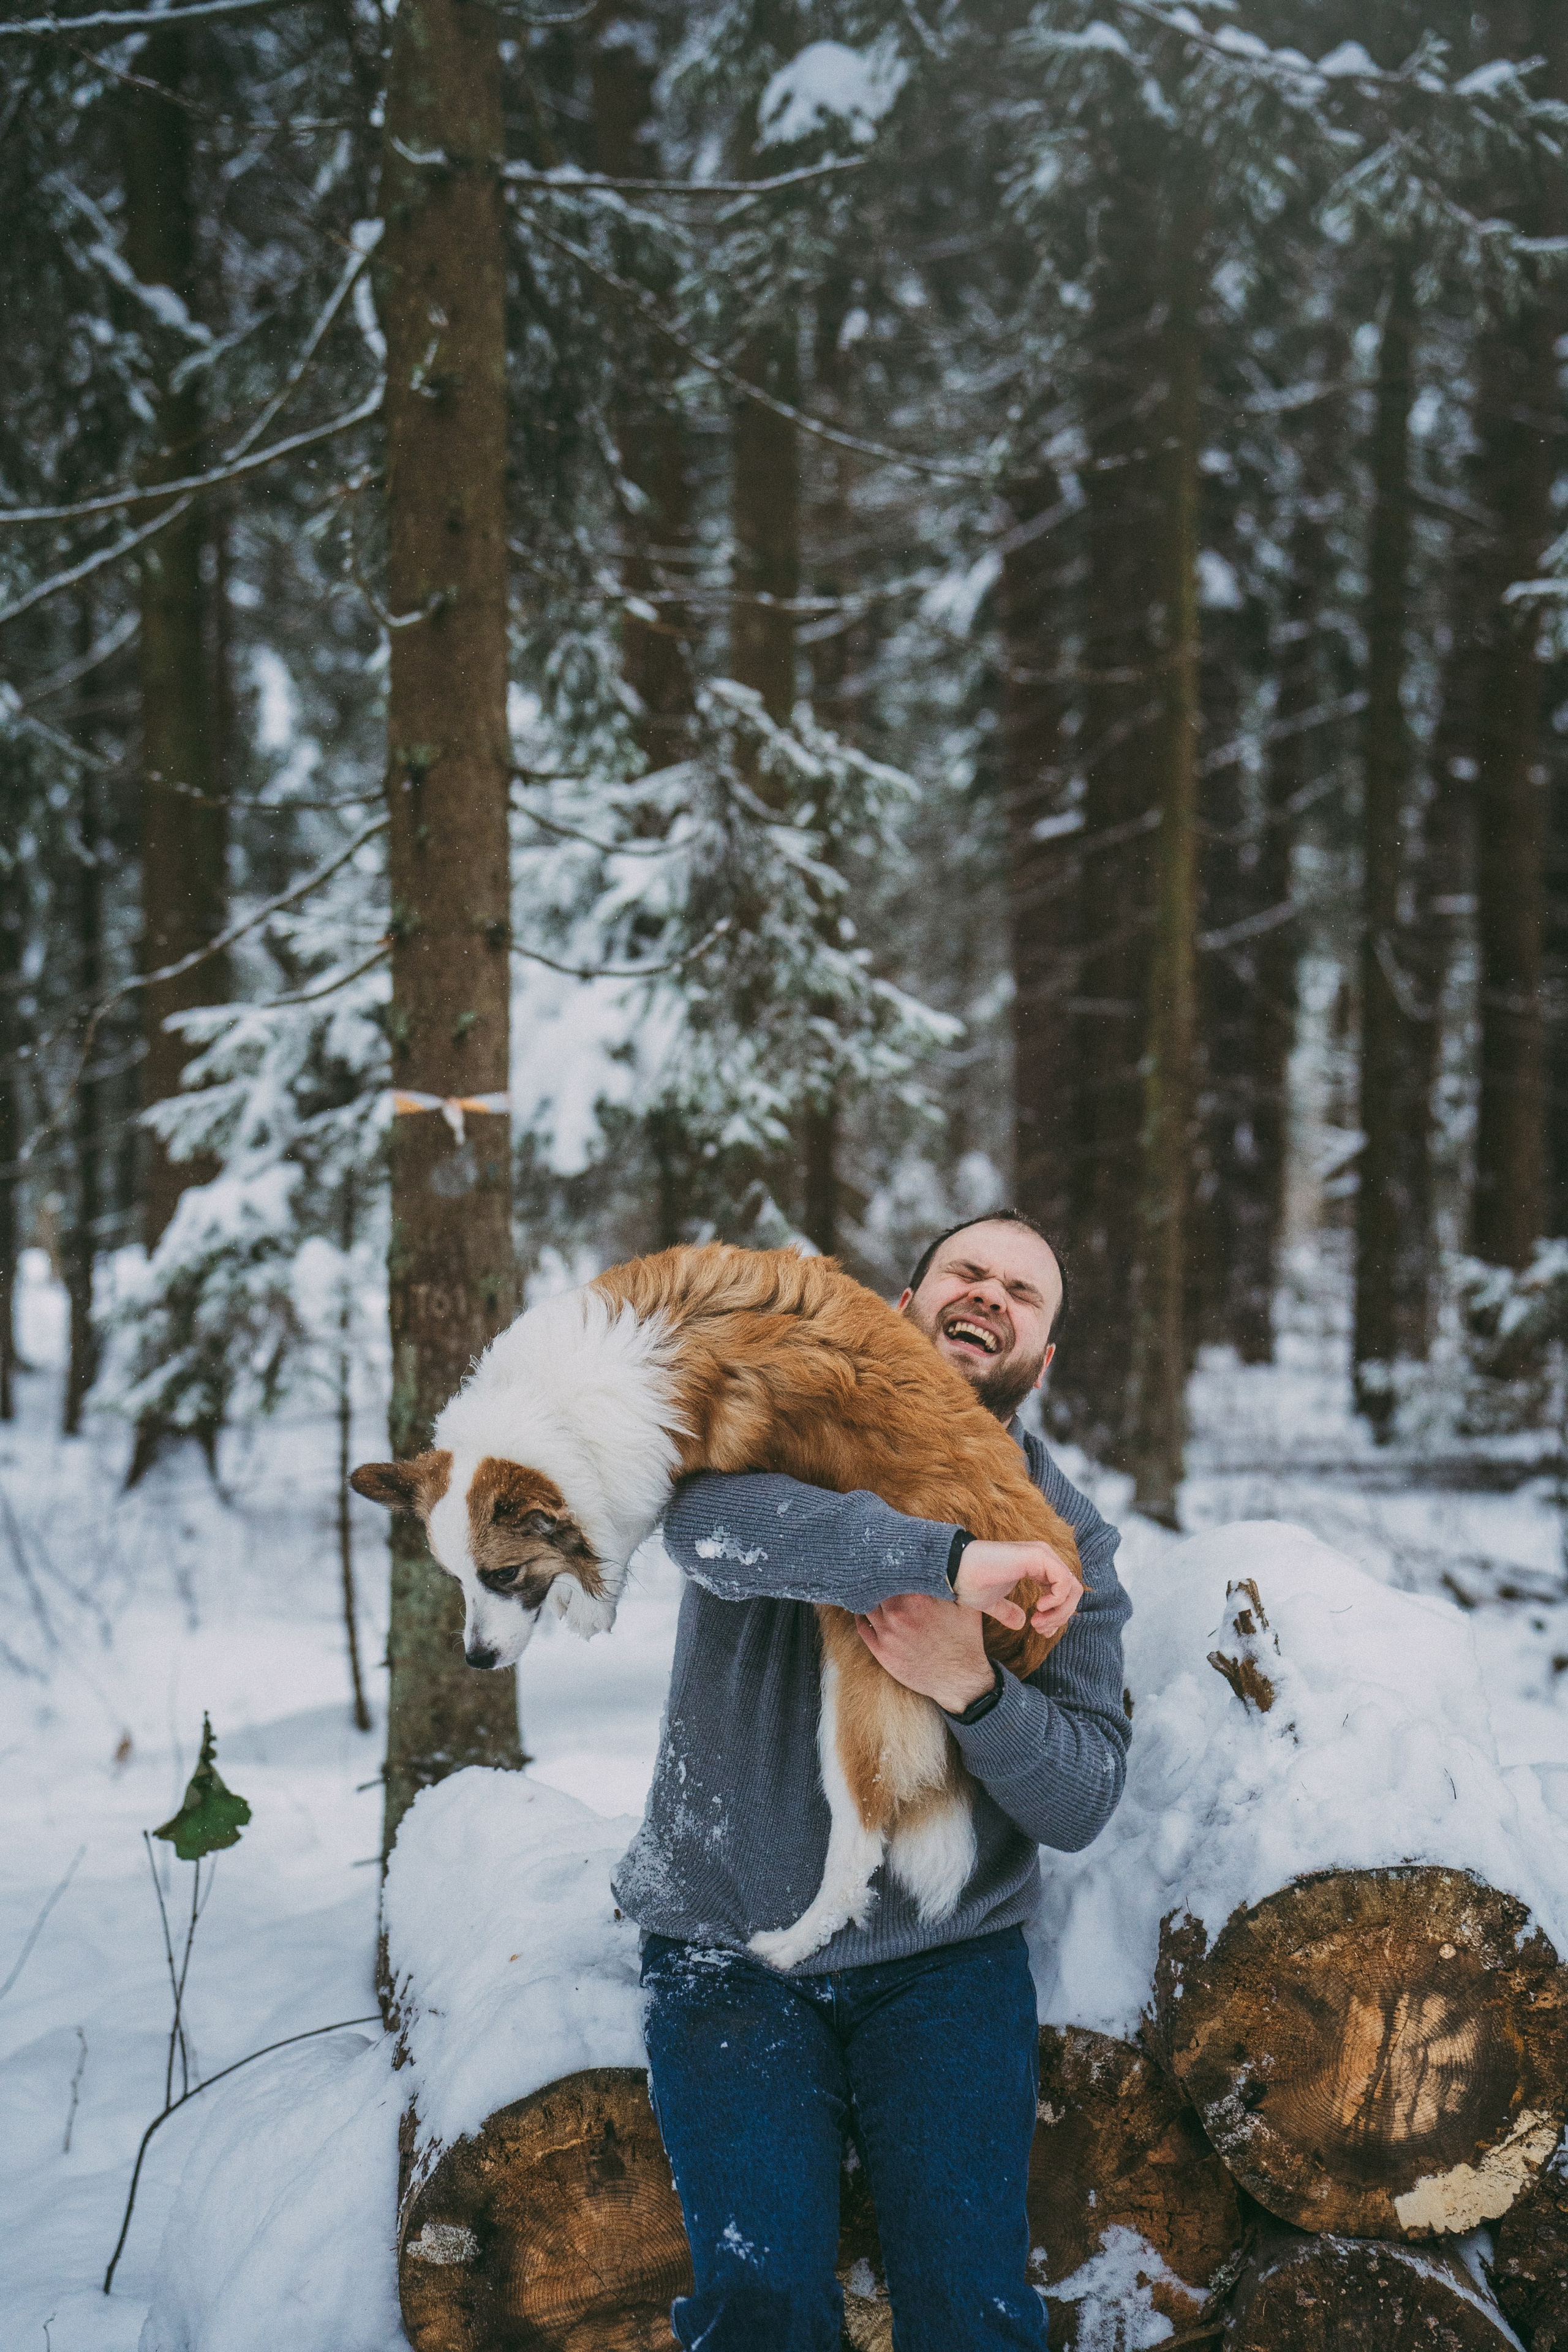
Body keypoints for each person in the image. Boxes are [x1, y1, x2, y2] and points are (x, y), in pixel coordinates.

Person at [612, 1212, 1132, 2351]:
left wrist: (974, 1690)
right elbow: (704, 1532)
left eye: (1022, 1293)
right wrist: (942, 1560)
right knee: (762, 2312)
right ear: (901, 1308)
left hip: (942, 1967)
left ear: (1042, 1361)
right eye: (967, 1271)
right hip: (723, 1945)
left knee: (972, 2316)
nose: (989, 1294)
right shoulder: (777, 1425)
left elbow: (1084, 1796)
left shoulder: (1067, 1542)